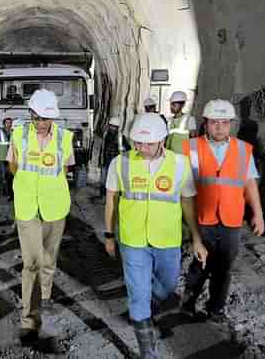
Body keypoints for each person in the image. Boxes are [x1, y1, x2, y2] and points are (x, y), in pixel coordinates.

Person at [103, 113, 207, 359]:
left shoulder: (180, 164)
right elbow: (111, 201)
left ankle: (145, 311)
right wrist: (109, 234)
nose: (141, 148)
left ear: (162, 140)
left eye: (147, 144)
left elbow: (188, 203)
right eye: (137, 143)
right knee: (138, 295)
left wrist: (196, 238)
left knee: (168, 285)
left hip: (168, 239)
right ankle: (148, 352)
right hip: (133, 241)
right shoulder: (121, 163)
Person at [181, 99, 264, 321]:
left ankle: (215, 308)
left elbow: (250, 183)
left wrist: (258, 213)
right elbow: (181, 184)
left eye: (225, 122)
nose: (220, 127)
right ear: (205, 123)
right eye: (214, 122)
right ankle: (187, 304)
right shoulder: (190, 148)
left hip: (231, 220)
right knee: (200, 264)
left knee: (224, 268)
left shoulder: (243, 150)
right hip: (202, 218)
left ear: (231, 124)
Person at [7, 89, 75, 344]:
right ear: (31, 114)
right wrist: (23, 185)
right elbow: (12, 164)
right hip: (27, 207)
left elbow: (66, 167)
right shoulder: (18, 134)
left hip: (55, 207)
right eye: (37, 117)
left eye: (46, 118)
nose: (41, 123)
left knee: (48, 259)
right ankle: (29, 321)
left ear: (53, 118)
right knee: (31, 263)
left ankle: (44, 295)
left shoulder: (65, 138)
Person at [98, 116, 130, 198]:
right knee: (103, 178)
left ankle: (115, 195)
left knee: (114, 180)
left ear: (117, 127)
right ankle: (103, 195)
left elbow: (128, 149)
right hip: (106, 161)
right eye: (110, 126)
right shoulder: (106, 134)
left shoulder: (120, 137)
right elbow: (102, 148)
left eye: (113, 126)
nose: (111, 128)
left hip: (116, 162)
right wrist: (100, 160)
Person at [0, 117, 14, 199]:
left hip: (11, 157)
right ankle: (4, 192)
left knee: (10, 175)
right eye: (7, 123)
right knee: (3, 175)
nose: (9, 124)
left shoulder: (13, 132)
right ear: (4, 124)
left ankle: (9, 192)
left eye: (10, 122)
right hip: (1, 156)